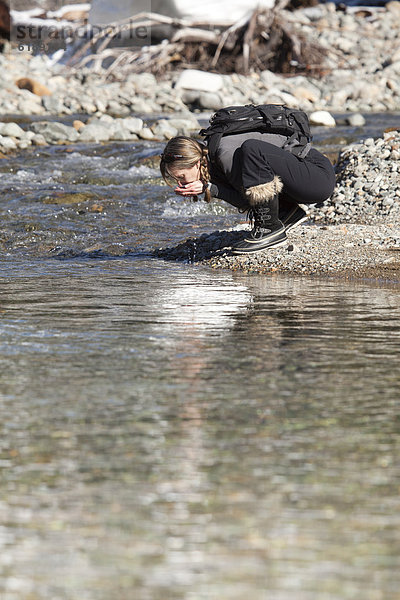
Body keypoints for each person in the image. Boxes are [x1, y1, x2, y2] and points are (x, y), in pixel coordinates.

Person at [159, 127, 336, 254]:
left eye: (181, 177)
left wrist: (210, 188)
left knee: (252, 149)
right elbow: (248, 196)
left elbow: (248, 199)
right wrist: (210, 187)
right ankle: (286, 212)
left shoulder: (224, 154)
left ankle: (269, 229)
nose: (181, 183)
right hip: (303, 177)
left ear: (196, 163)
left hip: (317, 177)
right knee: (253, 164)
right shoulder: (210, 159)